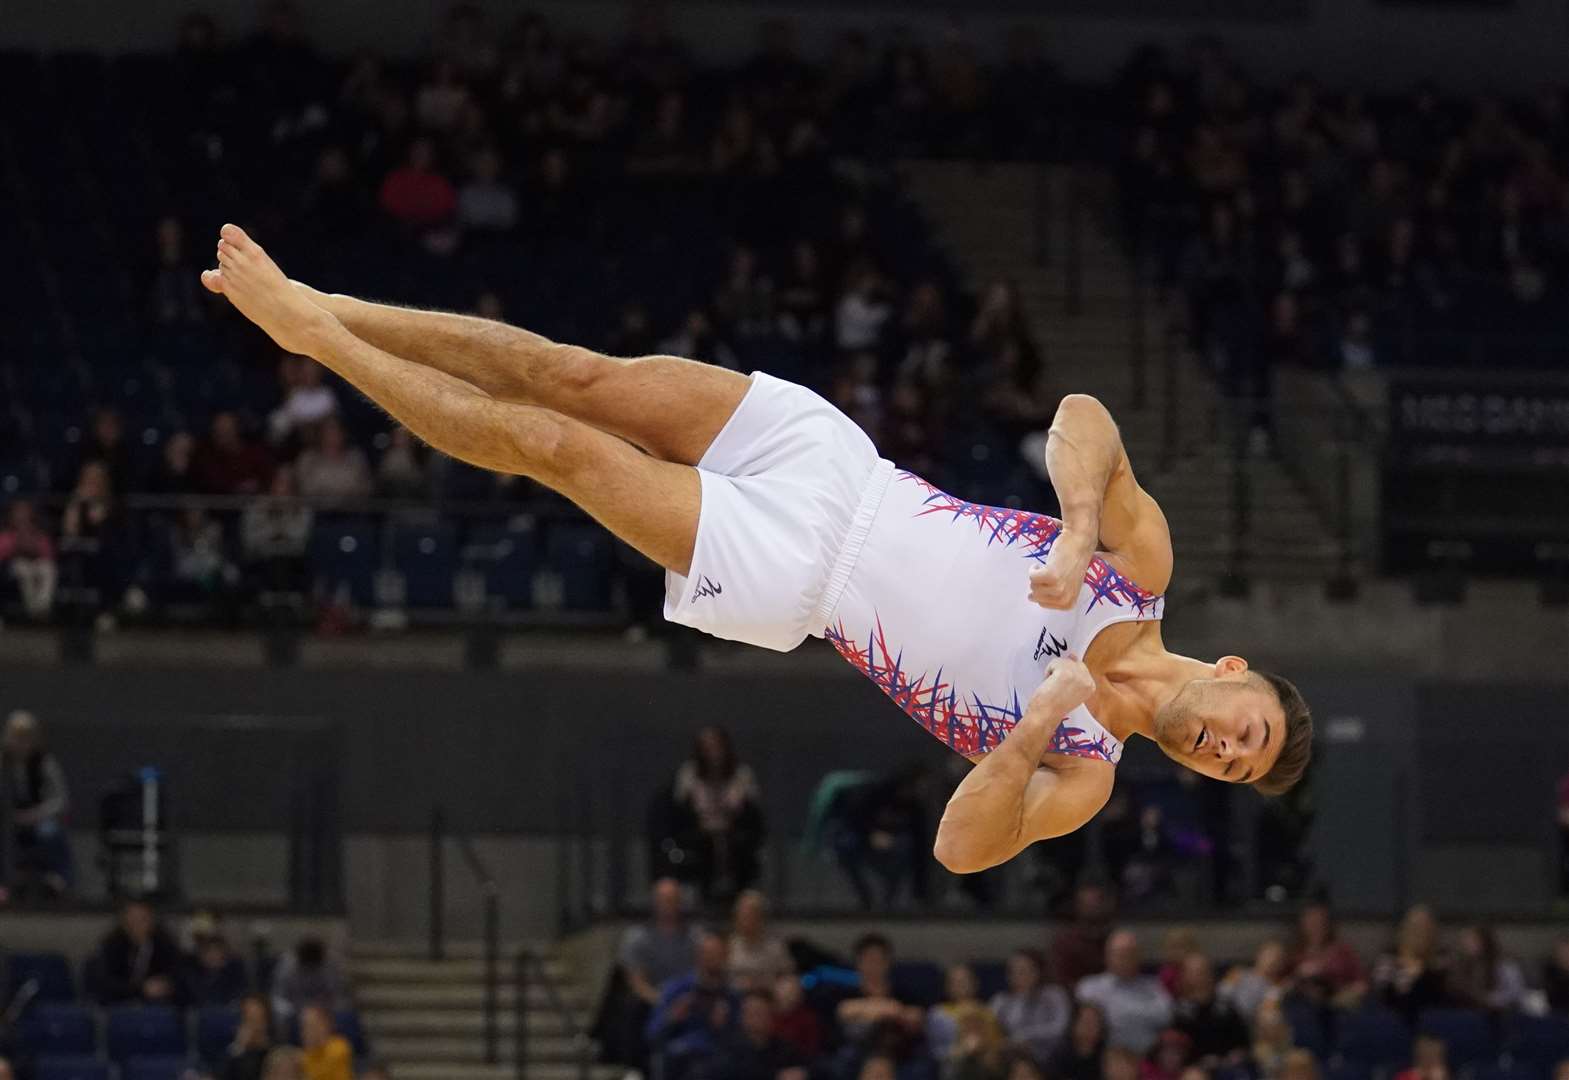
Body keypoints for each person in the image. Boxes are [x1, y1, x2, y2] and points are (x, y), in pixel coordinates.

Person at [203, 226, 1314, 868]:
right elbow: (1085, 419)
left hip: (800, 580)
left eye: (1238, 766)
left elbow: (961, 849)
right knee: (576, 376)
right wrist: (1075, 538)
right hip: (845, 470)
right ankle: (323, 300)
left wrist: (1031, 724)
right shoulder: (1143, 574)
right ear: (1234, 673)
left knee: (557, 448)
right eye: (1245, 728)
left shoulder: (1084, 772)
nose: (1224, 749)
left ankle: (318, 346)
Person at [671, 725, 764, 900]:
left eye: (716, 746)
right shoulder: (689, 774)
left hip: (734, 834)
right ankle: (705, 898)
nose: (712, 753)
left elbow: (752, 815)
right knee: (703, 846)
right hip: (699, 835)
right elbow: (680, 813)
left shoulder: (742, 775)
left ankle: (739, 901)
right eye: (706, 747)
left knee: (738, 847)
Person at [645, 931, 740, 1080]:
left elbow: (742, 1042)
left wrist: (723, 1026)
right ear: (698, 956)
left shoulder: (733, 996)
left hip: (717, 1059)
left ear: (726, 957)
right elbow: (652, 1035)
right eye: (707, 953)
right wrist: (673, 1017)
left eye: (717, 954)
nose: (711, 959)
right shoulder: (676, 989)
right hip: (679, 1057)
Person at [2, 710, 73, 897]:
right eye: (16, 738)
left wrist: (36, 814)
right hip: (8, 819)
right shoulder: (4, 763)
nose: (21, 744)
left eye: (26, 738)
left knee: (49, 830)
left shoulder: (44, 763)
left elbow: (60, 800)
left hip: (38, 818)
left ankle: (58, 879)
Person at [1075, 931, 1172, 1055]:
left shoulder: (1154, 986)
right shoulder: (1089, 987)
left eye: (1131, 954)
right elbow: (1085, 1028)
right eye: (1120, 954)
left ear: (1139, 957)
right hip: (1105, 1061)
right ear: (1107, 956)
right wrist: (1143, 1013)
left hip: (1148, 1059)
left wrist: (1118, 1013)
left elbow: (1166, 1017)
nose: (1126, 959)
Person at [89, 899, 184, 1005]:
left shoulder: (165, 945)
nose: (136, 925)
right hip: (119, 1006)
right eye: (131, 920)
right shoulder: (111, 946)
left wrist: (166, 985)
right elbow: (105, 983)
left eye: (142, 920)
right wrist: (141, 989)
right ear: (124, 924)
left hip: (158, 1005)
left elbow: (178, 977)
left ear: (151, 922)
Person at [990, 949, 1071, 1065]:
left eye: (1024, 970)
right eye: (1014, 971)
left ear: (1038, 971)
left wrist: (1026, 1037)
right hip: (1013, 1057)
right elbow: (991, 1028)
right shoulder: (1001, 1001)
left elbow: (1060, 1028)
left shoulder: (1054, 995)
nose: (1019, 975)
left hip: (1050, 1056)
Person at [1170, 953, 1249, 1068]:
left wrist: (1236, 1055)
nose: (1200, 976)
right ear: (1186, 976)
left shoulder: (1226, 1007)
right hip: (1194, 1068)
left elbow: (1243, 1042)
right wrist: (1200, 1062)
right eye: (1195, 972)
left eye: (1203, 971)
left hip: (1229, 1066)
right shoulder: (1180, 1011)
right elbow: (1178, 1049)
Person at [711, 991, 808, 1080]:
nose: (754, 1018)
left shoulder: (784, 1048)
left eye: (760, 1012)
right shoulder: (728, 1048)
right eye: (749, 1012)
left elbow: (805, 1067)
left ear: (771, 1015)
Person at [1292, 900, 1366, 1006]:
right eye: (1311, 922)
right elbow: (1286, 985)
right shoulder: (1297, 955)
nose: (1316, 926)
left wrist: (1345, 995)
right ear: (1303, 925)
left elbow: (1361, 983)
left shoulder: (1342, 951)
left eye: (1320, 922)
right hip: (1308, 1005)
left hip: (1341, 1004)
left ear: (1328, 924)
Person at [928, 963, 1003, 1060]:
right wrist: (963, 1049)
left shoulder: (989, 1011)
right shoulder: (938, 1013)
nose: (960, 985)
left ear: (975, 984)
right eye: (954, 982)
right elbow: (937, 1051)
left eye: (964, 981)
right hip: (953, 1062)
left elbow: (997, 1043)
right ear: (947, 987)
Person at [1448, 924, 1526, 1014]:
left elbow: (1515, 993)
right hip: (1471, 1012)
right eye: (1466, 941)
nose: (1468, 945)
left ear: (1485, 941)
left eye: (1473, 940)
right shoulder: (1462, 965)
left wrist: (1488, 1000)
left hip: (1502, 1014)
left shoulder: (1504, 964)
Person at [270, 937, 350, 1024]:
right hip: (295, 1013)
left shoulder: (329, 966)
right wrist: (295, 1012)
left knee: (344, 1014)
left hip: (324, 1012)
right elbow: (278, 996)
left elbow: (337, 995)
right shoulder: (288, 966)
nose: (310, 967)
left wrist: (324, 1011)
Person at [0, 499, 57, 620]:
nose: (22, 515)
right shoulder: (7, 533)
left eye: (25, 512)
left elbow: (49, 554)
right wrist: (16, 544)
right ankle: (33, 609)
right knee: (25, 570)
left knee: (48, 568)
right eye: (19, 512)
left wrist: (34, 546)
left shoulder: (38, 532)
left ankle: (43, 607)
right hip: (15, 564)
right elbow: (2, 554)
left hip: (37, 562)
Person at [1051, 884, 1114, 988]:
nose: (1092, 908)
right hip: (1077, 998)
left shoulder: (1116, 939)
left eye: (1096, 902)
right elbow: (1060, 980)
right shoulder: (1065, 942)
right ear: (1078, 906)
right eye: (1087, 904)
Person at [728, 890, 790, 992]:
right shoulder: (728, 945)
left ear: (761, 918)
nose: (745, 920)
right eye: (742, 915)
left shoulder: (775, 948)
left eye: (751, 915)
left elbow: (787, 977)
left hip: (766, 998)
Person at [1221, 939, 1292, 1021]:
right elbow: (1222, 994)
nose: (1273, 960)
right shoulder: (1238, 973)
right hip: (1224, 1016)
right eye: (1269, 955)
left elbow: (1267, 1013)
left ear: (1282, 965)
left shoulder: (1275, 988)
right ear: (1259, 955)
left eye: (1278, 959)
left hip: (1248, 1024)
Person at [1048, 1002, 1108, 1080]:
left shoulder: (1105, 1055)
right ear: (1074, 1024)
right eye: (1086, 1022)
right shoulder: (1059, 1055)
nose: (1089, 1028)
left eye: (1095, 1023)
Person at [224, 994, 276, 1080]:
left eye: (258, 1019)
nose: (254, 1026)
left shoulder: (275, 1051)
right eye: (249, 1019)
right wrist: (239, 1047)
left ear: (266, 1021)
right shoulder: (236, 1052)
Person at [299, 1004, 354, 1080]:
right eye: (304, 1026)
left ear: (325, 1024)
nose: (305, 1031)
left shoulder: (339, 1047)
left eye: (311, 1025)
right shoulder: (305, 1055)